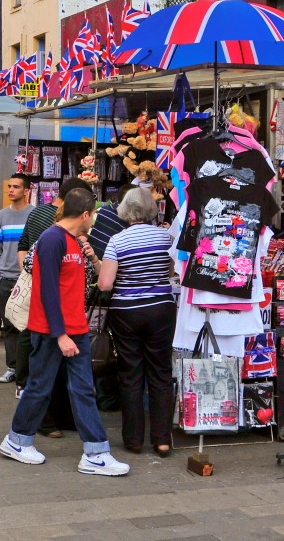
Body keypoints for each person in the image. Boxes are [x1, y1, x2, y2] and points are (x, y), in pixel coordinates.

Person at [0, 188, 129, 476]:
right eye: (93, 214)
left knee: (81, 389)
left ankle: (95, 452)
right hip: (52, 331)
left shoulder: (71, 240)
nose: (93, 219)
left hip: (73, 329)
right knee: (40, 387)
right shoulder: (52, 239)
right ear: (84, 214)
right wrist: (60, 334)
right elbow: (46, 291)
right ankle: (17, 440)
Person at [97, 187, 176, 456]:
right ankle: (162, 440)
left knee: (131, 374)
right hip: (161, 310)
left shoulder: (117, 241)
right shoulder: (166, 237)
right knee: (161, 373)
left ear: (125, 210)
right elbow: (171, 270)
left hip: (127, 312)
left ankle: (133, 440)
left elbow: (105, 284)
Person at [14, 177, 91, 402]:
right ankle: (25, 431)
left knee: (67, 384)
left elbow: (23, 249)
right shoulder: (55, 234)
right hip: (52, 319)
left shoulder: (71, 233)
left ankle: (88, 434)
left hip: (69, 318)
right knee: (42, 383)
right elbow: (31, 260)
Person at [0, 173, 33, 385]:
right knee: (9, 326)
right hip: (6, 279)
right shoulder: (1, 216)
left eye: (16, 187)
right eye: (9, 186)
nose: (11, 190)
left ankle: (27, 369)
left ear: (26, 190)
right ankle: (12, 367)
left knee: (28, 326)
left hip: (27, 279)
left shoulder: (34, 214)